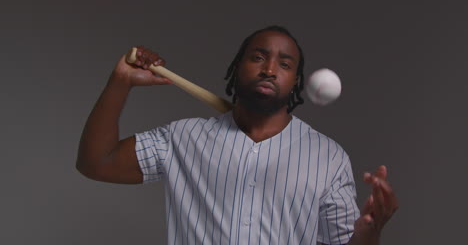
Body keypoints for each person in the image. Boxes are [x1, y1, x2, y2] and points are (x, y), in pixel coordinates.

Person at [77, 26, 398, 245]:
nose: (269, 69)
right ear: (237, 66)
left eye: (284, 64)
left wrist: (371, 230)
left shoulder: (327, 157)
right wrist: (121, 81)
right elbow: (96, 163)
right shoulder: (183, 138)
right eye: (258, 57)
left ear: (296, 81)